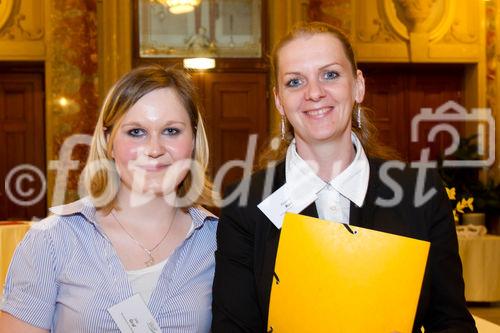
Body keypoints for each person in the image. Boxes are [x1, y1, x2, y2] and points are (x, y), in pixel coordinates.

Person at [212, 22, 477, 332]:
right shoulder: (245, 204)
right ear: (279, 101)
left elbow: (451, 321)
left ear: (358, 86)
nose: (314, 93)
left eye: (330, 75)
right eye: (295, 82)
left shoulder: (420, 193)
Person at [0, 65, 217, 332]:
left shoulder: (218, 242)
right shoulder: (52, 240)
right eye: (136, 132)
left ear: (194, 139)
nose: (154, 149)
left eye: (171, 131)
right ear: (108, 141)